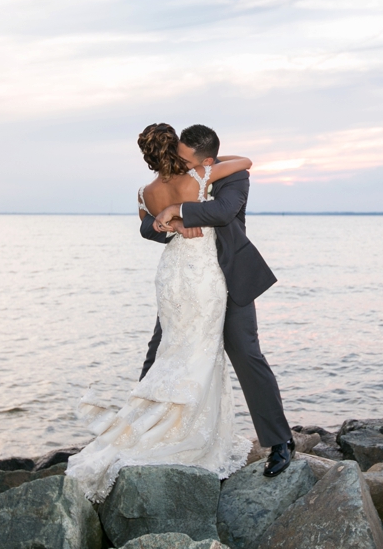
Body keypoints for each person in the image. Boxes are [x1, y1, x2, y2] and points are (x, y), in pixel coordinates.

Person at [65, 123, 259, 503]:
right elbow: (246, 161)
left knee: (174, 349)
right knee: (200, 353)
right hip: (202, 275)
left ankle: (148, 420)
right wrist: (185, 203)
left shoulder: (144, 192)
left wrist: (169, 218)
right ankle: (186, 434)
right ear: (177, 150)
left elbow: (147, 227)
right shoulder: (199, 174)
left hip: (170, 277)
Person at [141, 124, 294, 478]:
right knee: (160, 350)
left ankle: (279, 441)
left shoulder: (233, 176)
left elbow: (224, 212)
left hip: (229, 276)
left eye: (181, 158)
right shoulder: (177, 174)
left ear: (206, 159)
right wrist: (169, 224)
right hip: (189, 284)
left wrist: (177, 210)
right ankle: (141, 430)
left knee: (245, 352)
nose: (175, 164)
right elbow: (146, 224)